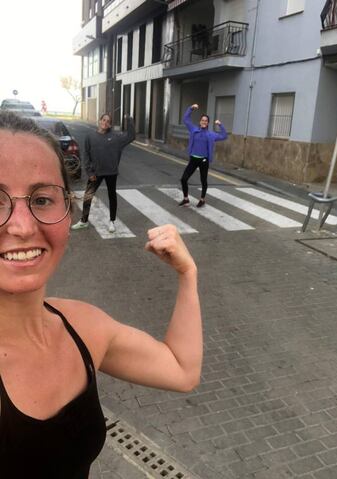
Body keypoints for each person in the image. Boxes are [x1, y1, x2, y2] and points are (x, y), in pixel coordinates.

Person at [0, 111, 202, 479]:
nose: (22, 225)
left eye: (42, 199)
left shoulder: (83, 327)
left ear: (68, 213)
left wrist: (187, 275)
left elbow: (181, 370)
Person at [71, 113, 135, 233]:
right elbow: (86, 156)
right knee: (88, 196)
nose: (105, 122)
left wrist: (129, 120)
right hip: (95, 173)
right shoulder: (90, 136)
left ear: (110, 124)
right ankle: (83, 221)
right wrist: (90, 172)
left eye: (108, 121)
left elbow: (131, 136)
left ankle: (112, 221)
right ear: (100, 121)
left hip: (111, 172)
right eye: (104, 120)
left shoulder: (116, 138)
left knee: (112, 196)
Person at [179, 103, 227, 208]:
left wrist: (220, 125)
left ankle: (202, 199)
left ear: (208, 123)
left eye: (206, 121)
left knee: (203, 180)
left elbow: (224, 136)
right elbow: (185, 119)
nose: (204, 122)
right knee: (183, 179)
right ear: (200, 122)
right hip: (193, 159)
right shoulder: (193, 130)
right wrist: (191, 108)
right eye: (202, 120)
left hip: (204, 160)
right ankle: (186, 199)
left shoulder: (211, 135)